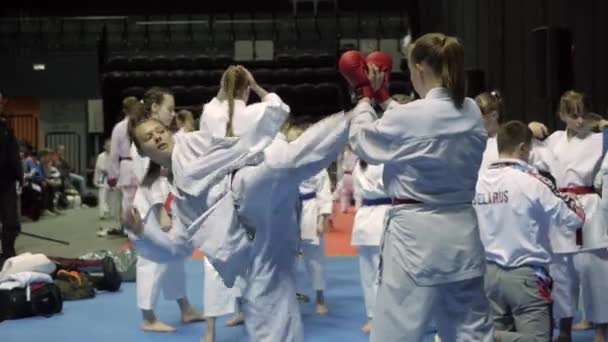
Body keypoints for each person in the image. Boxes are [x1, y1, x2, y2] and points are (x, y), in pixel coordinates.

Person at [125, 66, 351, 342]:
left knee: (284, 163)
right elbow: (176, 248)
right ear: (141, 151)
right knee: (269, 309)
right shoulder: (177, 196)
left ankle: (356, 120)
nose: (157, 137)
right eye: (148, 138)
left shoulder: (193, 142)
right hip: (253, 243)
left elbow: (218, 121)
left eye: (159, 131)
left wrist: (229, 90)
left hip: (249, 189)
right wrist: (142, 233)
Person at [341, 35, 493, 341]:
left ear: (420, 68)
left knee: (395, 333)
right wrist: (384, 98)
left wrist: (363, 95)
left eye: (410, 68)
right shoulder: (472, 111)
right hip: (462, 233)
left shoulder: (409, 116)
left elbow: (363, 141)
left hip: (415, 238)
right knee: (470, 332)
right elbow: (425, 119)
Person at [475, 120, 585, 342]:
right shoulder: (532, 181)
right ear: (523, 148)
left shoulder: (478, 182)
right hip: (526, 276)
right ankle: (476, 338)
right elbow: (573, 219)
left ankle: (483, 337)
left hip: (490, 275)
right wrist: (573, 201)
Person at [535, 91, 608, 342]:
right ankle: (563, 329)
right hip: (562, 206)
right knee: (561, 272)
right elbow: (525, 150)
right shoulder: (553, 141)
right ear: (562, 115)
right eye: (573, 115)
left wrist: (605, 126)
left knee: (594, 270)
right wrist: (529, 129)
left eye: (583, 115)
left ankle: (601, 330)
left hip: (589, 205)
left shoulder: (598, 138)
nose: (579, 121)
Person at [130, 157, 205, 332]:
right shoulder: (144, 144)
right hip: (151, 210)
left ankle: (186, 309)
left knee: (175, 259)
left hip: (170, 202)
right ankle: (148, 318)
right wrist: (160, 210)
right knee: (153, 261)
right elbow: (147, 178)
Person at [351, 159, 390, 334]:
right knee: (368, 274)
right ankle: (373, 316)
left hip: (381, 216)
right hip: (365, 219)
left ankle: (383, 317)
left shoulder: (383, 161)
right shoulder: (360, 164)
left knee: (381, 273)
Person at [0, 103, 23, 264]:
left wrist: (19, 177)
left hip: (6, 181)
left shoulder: (6, 129)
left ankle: (8, 252)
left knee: (11, 220)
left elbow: (14, 156)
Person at [95, 138, 120, 227]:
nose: (109, 147)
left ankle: (112, 212)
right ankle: (103, 213)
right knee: (103, 196)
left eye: (111, 145)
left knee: (113, 196)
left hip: (113, 178)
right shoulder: (101, 156)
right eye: (107, 146)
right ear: (104, 147)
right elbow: (100, 168)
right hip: (103, 178)